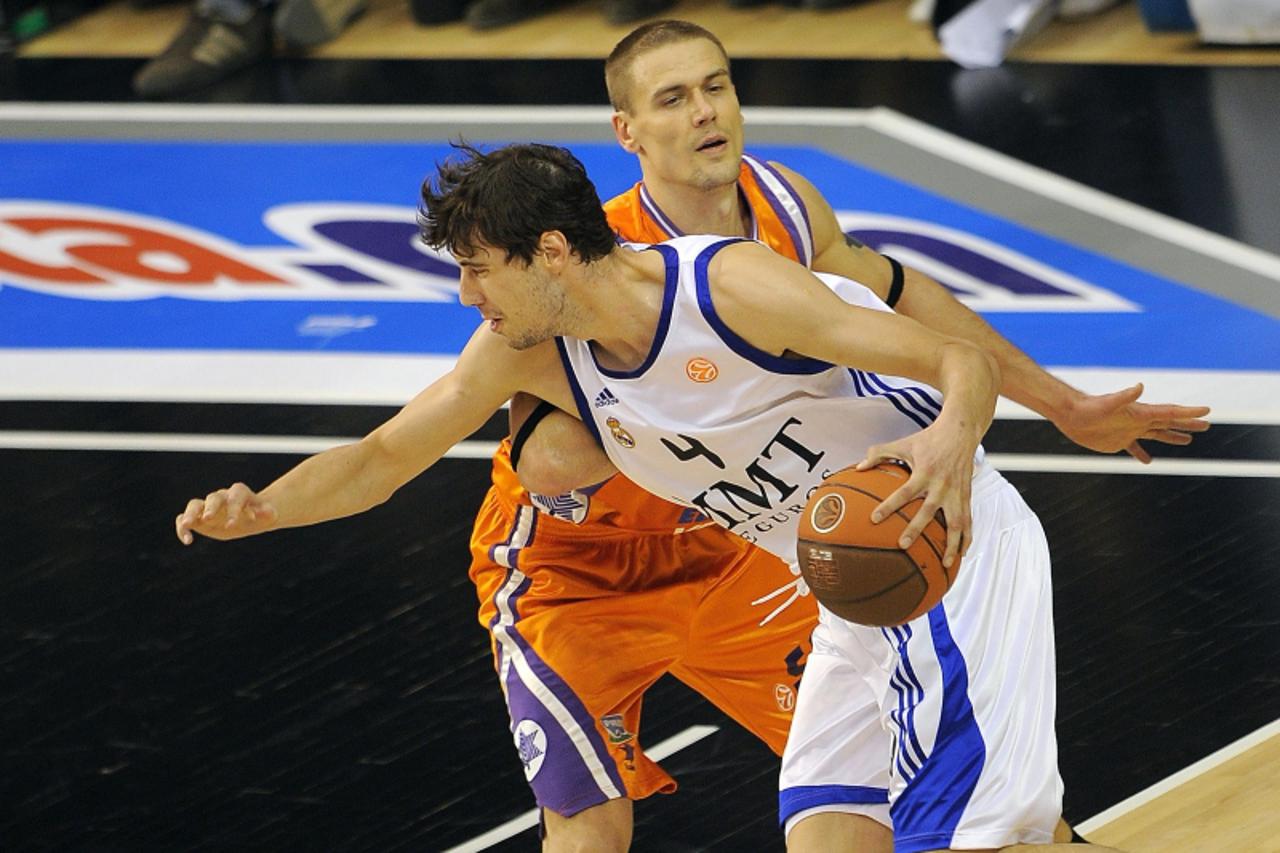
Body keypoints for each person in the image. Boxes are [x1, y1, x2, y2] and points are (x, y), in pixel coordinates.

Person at [175, 141, 1135, 852]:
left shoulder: (728, 289)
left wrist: (950, 446)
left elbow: (959, 359)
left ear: (552, 250)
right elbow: (386, 454)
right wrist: (267, 507)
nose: (468, 295)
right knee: (831, 834)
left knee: (961, 837)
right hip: (848, 590)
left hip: (938, 547)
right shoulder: (528, 352)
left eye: (478, 268)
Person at [486, 18, 1208, 847]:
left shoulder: (782, 206)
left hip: (763, 544)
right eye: (674, 98)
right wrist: (686, 426)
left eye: (716, 87)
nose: (705, 112)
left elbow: (908, 300)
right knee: (600, 827)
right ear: (628, 131)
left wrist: (1063, 404)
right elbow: (546, 457)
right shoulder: (595, 258)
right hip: (591, 558)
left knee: (940, 796)